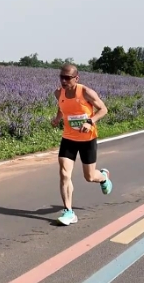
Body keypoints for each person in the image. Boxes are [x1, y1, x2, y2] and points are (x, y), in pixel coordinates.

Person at [50, 64, 112, 226]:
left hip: (87, 139)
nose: (63, 80)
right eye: (61, 77)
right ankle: (69, 211)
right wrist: (57, 119)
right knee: (64, 173)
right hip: (68, 138)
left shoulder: (86, 92)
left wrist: (90, 121)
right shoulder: (59, 93)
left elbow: (103, 109)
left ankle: (103, 177)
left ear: (76, 78)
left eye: (67, 78)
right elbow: (62, 106)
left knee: (89, 177)